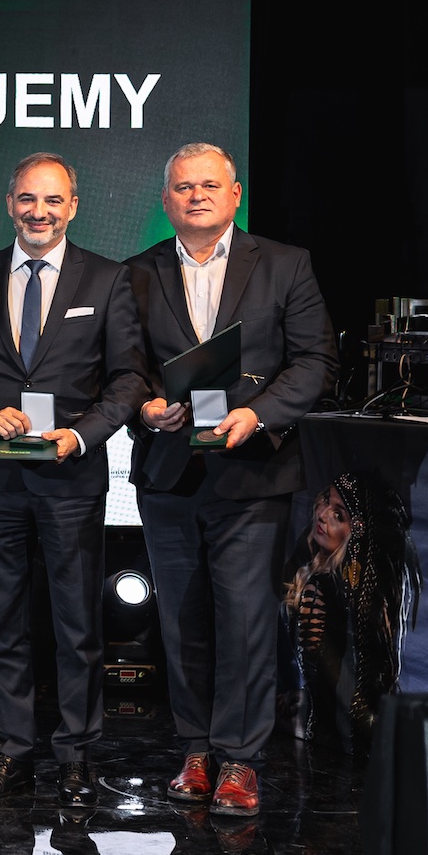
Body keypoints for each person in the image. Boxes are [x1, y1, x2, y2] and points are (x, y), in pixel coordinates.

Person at [125, 142, 337, 816]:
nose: (196, 196)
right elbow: (122, 367)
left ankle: (241, 759)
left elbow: (314, 361)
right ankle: (195, 749)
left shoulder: (284, 264)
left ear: (235, 193)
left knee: (246, 620)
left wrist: (256, 412)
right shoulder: (135, 273)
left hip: (253, 471)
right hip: (168, 473)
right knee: (181, 618)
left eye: (209, 185)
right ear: (165, 200)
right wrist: (144, 406)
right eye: (183, 187)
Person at [0, 152, 146, 806]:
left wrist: (81, 434)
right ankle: (12, 752)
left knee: (77, 624)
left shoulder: (107, 279)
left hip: (69, 475)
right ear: (9, 204)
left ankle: (75, 756)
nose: (39, 211)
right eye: (27, 198)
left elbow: (128, 379)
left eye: (52, 200)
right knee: (0, 622)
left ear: (73, 206)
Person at [284, 474, 420, 752]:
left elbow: (321, 677)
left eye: (339, 515)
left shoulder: (323, 588)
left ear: (356, 532)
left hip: (331, 732)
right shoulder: (327, 579)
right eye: (325, 501)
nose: (323, 515)